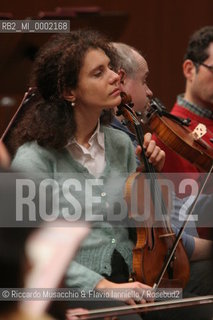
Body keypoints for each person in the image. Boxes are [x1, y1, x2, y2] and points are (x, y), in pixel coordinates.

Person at [9, 30, 212, 320]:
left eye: (110, 68)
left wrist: (149, 178)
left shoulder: (120, 143)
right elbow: (31, 252)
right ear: (69, 92)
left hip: (134, 277)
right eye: (98, 72)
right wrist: (102, 285)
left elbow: (143, 227)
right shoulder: (34, 157)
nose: (115, 77)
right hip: (76, 288)